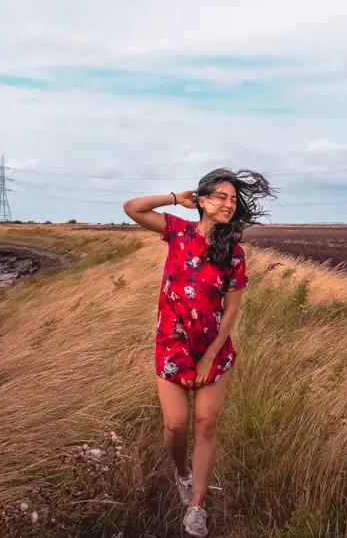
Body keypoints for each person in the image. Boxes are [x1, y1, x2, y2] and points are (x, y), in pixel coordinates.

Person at [123, 167, 275, 537]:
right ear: (202, 200)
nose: (228, 204)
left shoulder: (234, 253)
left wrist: (210, 356)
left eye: (233, 199)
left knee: (206, 423)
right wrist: (178, 197)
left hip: (211, 350)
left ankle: (196, 507)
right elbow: (132, 207)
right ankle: (183, 475)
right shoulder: (178, 232)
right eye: (221, 196)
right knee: (175, 426)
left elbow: (232, 310)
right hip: (172, 344)